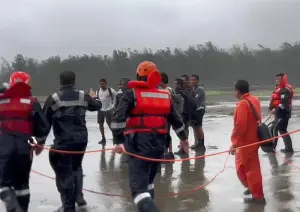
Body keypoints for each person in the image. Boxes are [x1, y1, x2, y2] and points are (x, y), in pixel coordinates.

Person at [111, 61, 188, 212]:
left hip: (138, 145)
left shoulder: (131, 93)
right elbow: (176, 120)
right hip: (159, 145)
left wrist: (118, 141)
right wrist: (184, 138)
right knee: (149, 182)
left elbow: (117, 119)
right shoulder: (165, 95)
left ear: (139, 76)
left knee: (138, 191)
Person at [43, 70, 102, 212]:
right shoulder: (83, 96)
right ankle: (79, 196)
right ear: (74, 81)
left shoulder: (54, 98)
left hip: (63, 142)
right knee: (76, 167)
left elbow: (44, 123)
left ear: (60, 82)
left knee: (64, 172)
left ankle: (68, 206)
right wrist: (95, 97)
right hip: (81, 140)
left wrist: (39, 141)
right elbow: (97, 106)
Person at [0, 71, 50, 212]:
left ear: (10, 83)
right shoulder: (32, 102)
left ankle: (12, 205)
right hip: (24, 146)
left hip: (3, 145)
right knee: (22, 184)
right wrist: (40, 142)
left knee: (3, 182)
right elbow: (42, 126)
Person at [231, 80, 265, 204]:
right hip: (253, 140)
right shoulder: (255, 100)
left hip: (246, 143)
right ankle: (252, 188)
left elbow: (240, 126)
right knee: (244, 167)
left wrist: (234, 143)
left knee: (249, 170)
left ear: (237, 91)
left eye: (234, 89)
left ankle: (258, 196)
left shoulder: (242, 105)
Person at [159, 72, 183, 159]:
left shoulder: (167, 90)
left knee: (166, 133)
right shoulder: (170, 89)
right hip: (169, 115)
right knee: (167, 133)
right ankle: (169, 152)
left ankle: (168, 153)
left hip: (166, 115)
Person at [269, 73, 294, 153]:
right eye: (276, 79)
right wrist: (272, 108)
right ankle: (288, 148)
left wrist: (275, 110)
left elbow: (284, 103)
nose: (277, 81)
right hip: (279, 113)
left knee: (274, 129)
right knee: (282, 130)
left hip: (283, 114)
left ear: (283, 80)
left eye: (279, 79)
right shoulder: (278, 89)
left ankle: (272, 148)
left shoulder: (285, 90)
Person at [94, 78, 117, 147]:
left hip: (109, 110)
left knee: (110, 124)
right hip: (100, 110)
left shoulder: (110, 90)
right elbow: (97, 99)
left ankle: (115, 136)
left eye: (103, 84)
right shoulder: (97, 91)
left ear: (106, 84)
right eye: (100, 84)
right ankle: (103, 138)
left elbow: (117, 97)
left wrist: (114, 105)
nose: (101, 85)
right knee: (100, 124)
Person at [173, 78, 192, 155]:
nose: (174, 85)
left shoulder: (179, 92)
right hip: (187, 114)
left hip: (183, 114)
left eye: (175, 83)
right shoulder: (185, 92)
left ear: (179, 85)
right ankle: (183, 149)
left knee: (182, 131)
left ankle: (183, 149)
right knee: (185, 130)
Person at [190, 74, 206, 152]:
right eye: (191, 80)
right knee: (195, 127)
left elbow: (195, 100)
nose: (191, 81)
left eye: (193, 80)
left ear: (197, 80)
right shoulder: (194, 88)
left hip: (200, 109)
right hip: (195, 110)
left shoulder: (200, 89)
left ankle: (201, 144)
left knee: (199, 127)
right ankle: (197, 143)